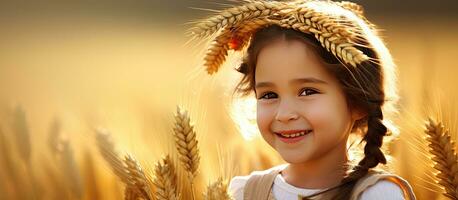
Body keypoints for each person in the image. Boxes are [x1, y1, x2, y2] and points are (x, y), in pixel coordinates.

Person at [190, 0, 416, 199]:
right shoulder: (244, 193)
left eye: (307, 91)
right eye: (269, 95)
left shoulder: (378, 195)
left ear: (357, 101)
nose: (284, 114)